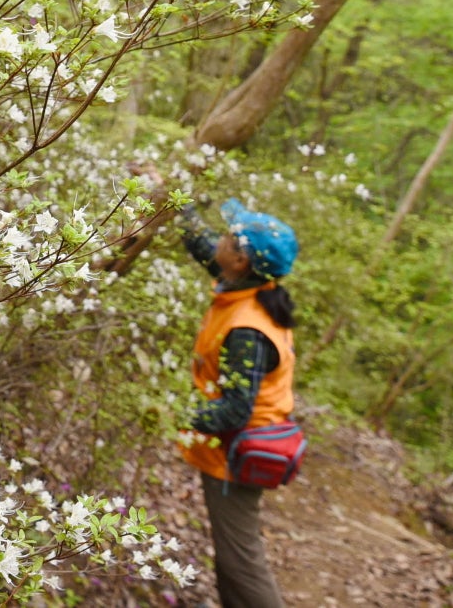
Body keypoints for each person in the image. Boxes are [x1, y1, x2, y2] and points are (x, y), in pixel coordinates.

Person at [177, 199, 299, 608]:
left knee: (241, 561)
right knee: (232, 554)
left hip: (239, 451)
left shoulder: (247, 329)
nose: (220, 239)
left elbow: (235, 410)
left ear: (241, 260)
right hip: (240, 446)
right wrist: (174, 201)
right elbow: (203, 246)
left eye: (229, 237)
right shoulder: (248, 290)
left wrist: (172, 415)